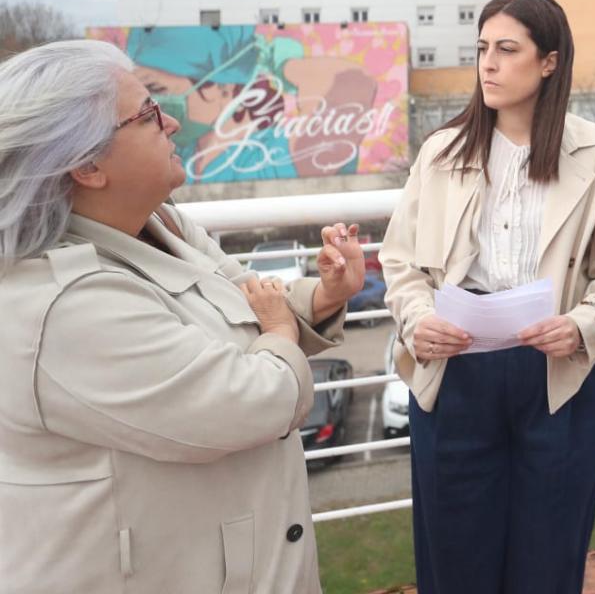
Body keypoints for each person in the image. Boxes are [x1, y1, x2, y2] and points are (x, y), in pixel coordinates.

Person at [0, 39, 365, 593]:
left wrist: (323, 295)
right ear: (88, 166)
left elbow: (248, 298)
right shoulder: (62, 305)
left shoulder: (158, 222)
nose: (171, 122)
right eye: (147, 114)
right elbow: (250, 402)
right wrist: (281, 331)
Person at [380, 0, 595, 594]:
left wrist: (582, 324)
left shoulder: (594, 152)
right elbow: (399, 261)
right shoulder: (442, 152)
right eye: (481, 50)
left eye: (506, 49)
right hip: (456, 373)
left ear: (548, 61)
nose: (488, 65)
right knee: (454, 564)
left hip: (559, 377)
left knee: (548, 565)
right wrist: (418, 319)